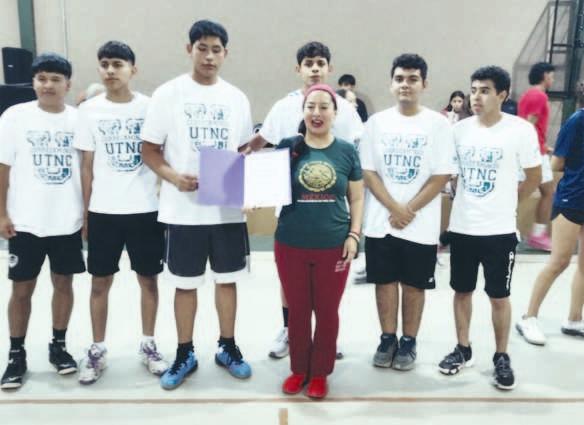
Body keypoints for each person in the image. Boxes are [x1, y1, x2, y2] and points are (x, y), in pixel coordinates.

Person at [141, 20, 253, 390]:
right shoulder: (168, 94)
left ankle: (227, 347)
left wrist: (249, 190)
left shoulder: (236, 98)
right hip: (183, 209)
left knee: (227, 280)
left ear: (225, 53)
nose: (209, 56)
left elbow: (241, 152)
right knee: (185, 284)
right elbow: (149, 150)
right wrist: (174, 177)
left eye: (216, 49)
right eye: (202, 48)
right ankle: (184, 352)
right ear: (189, 49)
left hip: (225, 208)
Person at [244, 41, 363, 360]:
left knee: (328, 287)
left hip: (330, 214)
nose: (314, 68)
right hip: (292, 212)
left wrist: (355, 228)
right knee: (291, 284)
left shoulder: (346, 110)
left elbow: (353, 159)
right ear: (298, 69)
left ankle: (327, 335)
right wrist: (233, 170)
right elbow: (260, 143)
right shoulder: (283, 107)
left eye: (320, 62)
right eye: (308, 63)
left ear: (329, 68)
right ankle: (289, 330)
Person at [438, 66, 541, 390]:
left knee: (499, 296)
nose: (476, 97)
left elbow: (534, 176)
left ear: (502, 95)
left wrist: (508, 202)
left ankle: (501, 356)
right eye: (473, 90)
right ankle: (463, 348)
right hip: (463, 228)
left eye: (484, 90)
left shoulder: (520, 130)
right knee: (462, 291)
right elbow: (452, 175)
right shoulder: (458, 131)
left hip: (499, 231)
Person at [74, 41, 168, 385]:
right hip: (104, 212)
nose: (110, 70)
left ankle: (148, 344)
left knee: (149, 281)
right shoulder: (89, 110)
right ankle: (97, 349)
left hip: (145, 211)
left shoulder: (150, 107)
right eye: (105, 64)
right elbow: (87, 166)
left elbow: (162, 155)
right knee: (100, 283)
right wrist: (86, 214)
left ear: (133, 69)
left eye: (117, 64)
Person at [361, 54, 456, 371]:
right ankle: (387, 338)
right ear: (391, 84)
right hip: (382, 222)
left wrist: (408, 209)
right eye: (400, 79)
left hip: (420, 224)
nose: (405, 84)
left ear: (424, 84)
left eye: (413, 79)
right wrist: (393, 208)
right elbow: (368, 171)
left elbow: (441, 175)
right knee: (384, 282)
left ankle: (408, 341)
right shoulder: (376, 123)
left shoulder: (438, 125)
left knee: (414, 285)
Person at [0, 53, 85, 389]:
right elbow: (2, 168)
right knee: (22, 289)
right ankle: (16, 354)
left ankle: (58, 346)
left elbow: (87, 170)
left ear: (68, 84)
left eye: (55, 79)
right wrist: (2, 213)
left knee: (64, 285)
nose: (48, 85)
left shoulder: (79, 120)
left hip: (67, 221)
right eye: (42, 78)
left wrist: (87, 214)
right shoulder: (15, 117)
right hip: (25, 223)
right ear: (33, 82)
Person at [275, 84, 364, 399]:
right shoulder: (288, 147)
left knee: (327, 312)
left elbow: (356, 197)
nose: (316, 113)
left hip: (333, 245)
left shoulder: (346, 151)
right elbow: (266, 184)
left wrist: (354, 235)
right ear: (302, 112)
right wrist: (250, 197)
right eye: (310, 106)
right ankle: (299, 369)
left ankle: (320, 372)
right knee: (298, 311)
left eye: (324, 107)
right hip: (290, 243)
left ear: (335, 113)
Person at [515, 82, 584, 345]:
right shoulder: (577, 121)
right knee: (560, 261)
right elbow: (557, 163)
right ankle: (528, 317)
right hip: (571, 199)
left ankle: (574, 319)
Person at [518, 62, 556, 251]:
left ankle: (537, 234)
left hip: (535, 150)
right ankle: (538, 235)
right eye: (552, 76)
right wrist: (535, 149)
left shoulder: (528, 95)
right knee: (547, 193)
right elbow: (528, 125)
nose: (553, 80)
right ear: (545, 75)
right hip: (533, 153)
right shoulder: (539, 96)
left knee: (538, 192)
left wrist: (544, 145)